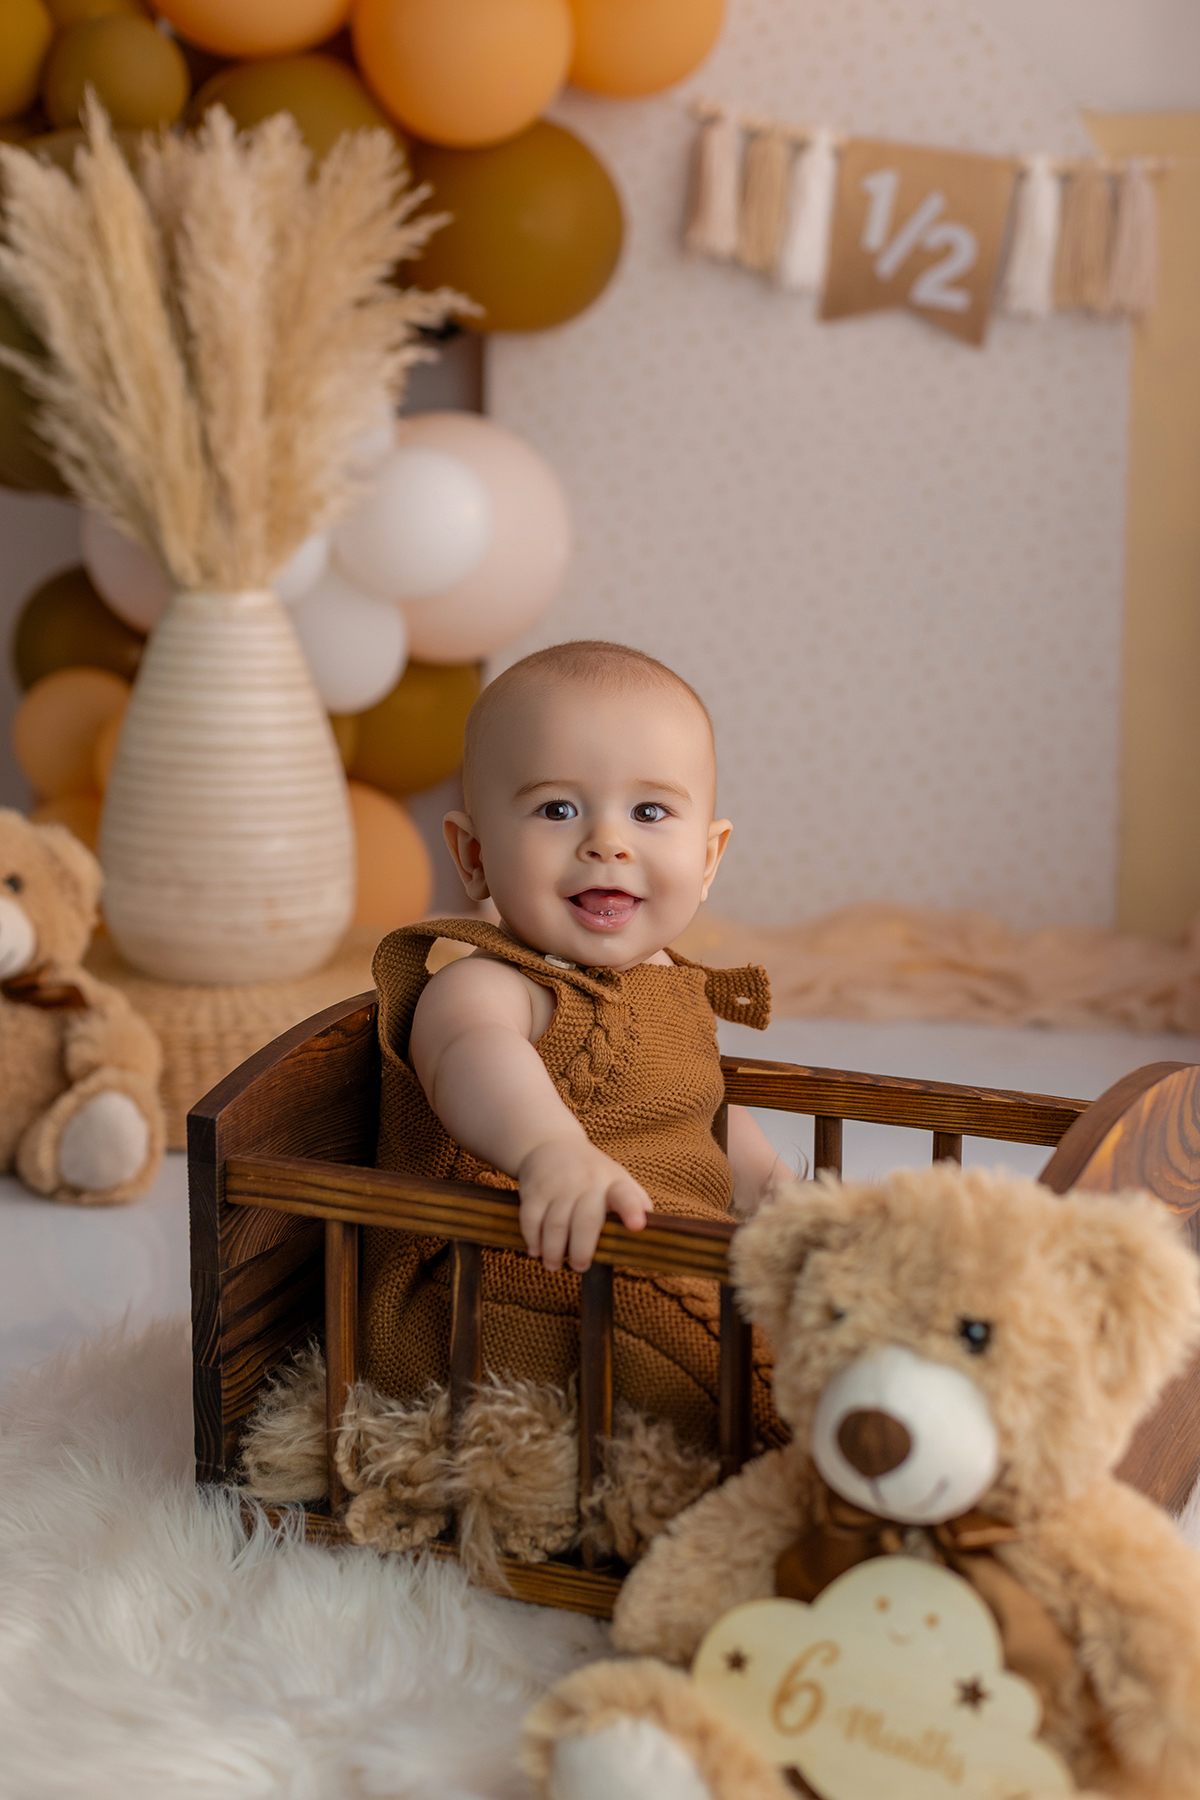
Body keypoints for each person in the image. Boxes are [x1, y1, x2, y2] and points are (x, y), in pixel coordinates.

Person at [360, 640, 787, 1454]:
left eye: (650, 813)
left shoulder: (674, 986)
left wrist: (778, 1193)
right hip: (502, 1270)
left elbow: (707, 1123)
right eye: (558, 809)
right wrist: (550, 1148)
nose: (608, 843)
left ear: (707, 859)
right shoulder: (487, 987)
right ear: (475, 856)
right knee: (733, 1362)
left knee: (812, 1297)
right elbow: (474, 1059)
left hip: (654, 1251)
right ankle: (803, 1453)